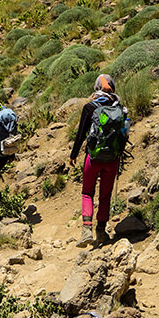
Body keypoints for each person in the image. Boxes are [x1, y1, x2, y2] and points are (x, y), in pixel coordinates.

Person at [69, 74, 126, 247]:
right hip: (112, 159)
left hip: (92, 159)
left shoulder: (89, 107)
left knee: (87, 192)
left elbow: (81, 134)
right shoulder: (121, 108)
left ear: (96, 88)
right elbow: (124, 135)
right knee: (105, 196)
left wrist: (73, 154)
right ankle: (101, 232)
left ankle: (86, 230)